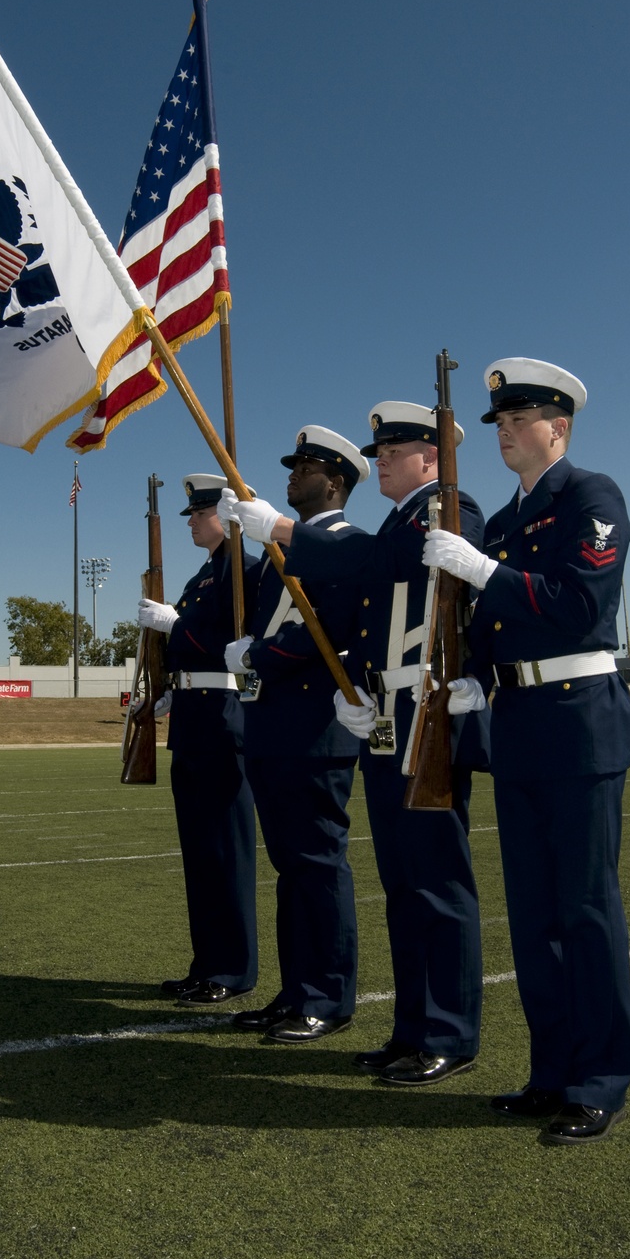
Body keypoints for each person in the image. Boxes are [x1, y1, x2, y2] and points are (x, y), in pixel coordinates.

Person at [222, 403, 486, 1086]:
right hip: (385, 710)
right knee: (401, 884)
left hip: (427, 707)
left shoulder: (448, 508)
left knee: (436, 882)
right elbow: (372, 601)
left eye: (394, 451)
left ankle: (449, 1033)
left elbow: (379, 566)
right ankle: (411, 1029)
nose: (382, 462)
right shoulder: (403, 519)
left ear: (431, 458)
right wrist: (360, 687)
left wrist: (280, 530)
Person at [423, 358, 630, 1144]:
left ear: (561, 426)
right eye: (500, 424)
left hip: (580, 723)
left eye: (522, 420)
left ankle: (600, 1080)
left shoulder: (590, 495)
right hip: (517, 725)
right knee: (534, 918)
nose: (508, 433)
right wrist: (473, 676)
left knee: (585, 911)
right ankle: (550, 1072)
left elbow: (583, 605)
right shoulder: (510, 522)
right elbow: (488, 625)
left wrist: (485, 570)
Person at [221, 427, 369, 1043]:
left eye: (305, 467)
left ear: (333, 482)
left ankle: (328, 997)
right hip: (272, 722)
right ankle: (295, 989)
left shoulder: (347, 544)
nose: (292, 473)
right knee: (290, 866)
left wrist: (261, 656)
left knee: (316, 861)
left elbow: (327, 628)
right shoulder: (281, 550)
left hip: (315, 727)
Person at [137, 474, 259, 1005]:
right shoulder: (204, 577)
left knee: (225, 851)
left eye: (198, 512)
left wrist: (175, 625)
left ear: (225, 515)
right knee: (200, 853)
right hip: (193, 717)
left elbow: (231, 638)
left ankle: (232, 968)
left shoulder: (245, 571)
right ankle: (207, 962)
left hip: (223, 717)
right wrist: (167, 689)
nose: (190, 521)